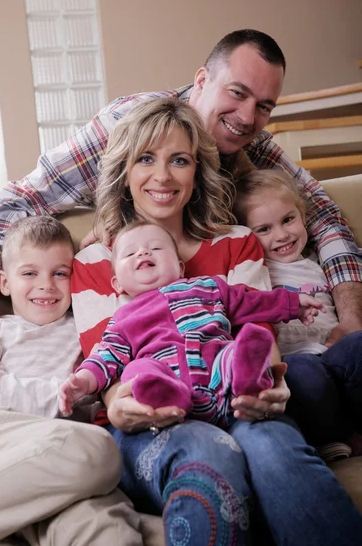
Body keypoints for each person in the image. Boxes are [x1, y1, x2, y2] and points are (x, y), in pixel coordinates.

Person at [71, 97, 362, 546]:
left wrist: (271, 380)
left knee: (270, 444)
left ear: (198, 172)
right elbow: (107, 355)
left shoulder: (236, 243)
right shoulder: (95, 262)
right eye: (146, 158)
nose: (163, 176)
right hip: (150, 416)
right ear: (124, 171)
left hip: (232, 395)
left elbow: (258, 332)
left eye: (180, 160)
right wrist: (120, 403)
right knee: (207, 450)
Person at [0, 29, 361, 350]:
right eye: (237, 93)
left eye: (264, 106)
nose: (246, 117)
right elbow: (13, 202)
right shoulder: (130, 126)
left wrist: (351, 321)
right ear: (202, 80)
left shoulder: (251, 146)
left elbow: (324, 213)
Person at [0, 216, 143, 546]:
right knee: (99, 449)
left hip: (58, 459)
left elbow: (101, 386)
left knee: (106, 524)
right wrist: (62, 396)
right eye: (29, 273)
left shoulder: (85, 327)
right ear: (3, 282)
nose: (46, 285)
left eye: (60, 273)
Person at [60, 220, 324, 426]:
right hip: (171, 390)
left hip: (221, 379)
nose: (143, 252)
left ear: (180, 267)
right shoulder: (123, 319)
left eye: (156, 248)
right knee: (137, 370)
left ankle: (247, 375)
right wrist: (83, 380)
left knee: (236, 350)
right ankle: (159, 391)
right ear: (118, 284)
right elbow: (106, 356)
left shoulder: (208, 288)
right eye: (130, 253)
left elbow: (252, 301)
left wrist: (293, 304)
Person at [234, 168, 362, 462]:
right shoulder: (258, 270)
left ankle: (355, 428)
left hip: (334, 351)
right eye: (263, 229)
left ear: (302, 214)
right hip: (296, 359)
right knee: (304, 377)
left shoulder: (320, 262)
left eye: (288, 219)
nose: (281, 235)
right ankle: (327, 437)